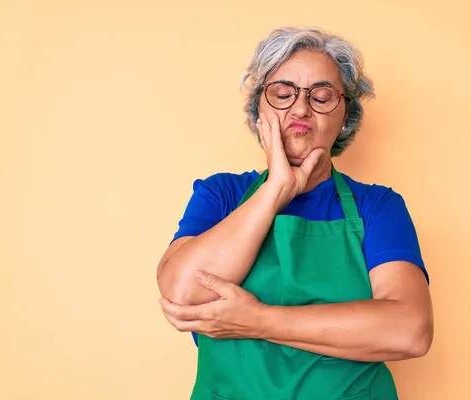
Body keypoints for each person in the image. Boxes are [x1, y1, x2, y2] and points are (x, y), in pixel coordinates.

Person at [156, 26, 433, 400]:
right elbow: (182, 293)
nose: (300, 108)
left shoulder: (377, 207)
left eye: (321, 96)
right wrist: (275, 190)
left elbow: (409, 331)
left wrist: (258, 321)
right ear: (260, 110)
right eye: (283, 94)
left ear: (345, 116)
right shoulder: (221, 195)